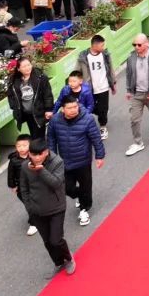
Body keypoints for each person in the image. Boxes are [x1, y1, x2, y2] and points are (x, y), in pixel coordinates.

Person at [46, 93, 105, 227]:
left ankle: (84, 209)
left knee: (86, 185)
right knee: (66, 188)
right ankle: (81, 195)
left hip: (83, 160)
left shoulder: (88, 119)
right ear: (62, 109)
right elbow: (51, 141)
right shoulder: (55, 121)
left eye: (75, 107)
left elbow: (96, 138)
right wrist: (52, 159)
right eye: (70, 108)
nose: (73, 110)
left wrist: (99, 156)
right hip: (64, 162)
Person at [20, 139, 75, 274]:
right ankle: (58, 262)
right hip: (37, 211)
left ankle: (68, 258)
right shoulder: (25, 166)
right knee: (47, 242)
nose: (37, 157)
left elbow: (56, 183)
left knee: (56, 240)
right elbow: (24, 188)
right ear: (29, 154)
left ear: (46, 152)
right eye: (34, 154)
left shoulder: (57, 162)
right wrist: (29, 207)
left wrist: (41, 170)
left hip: (57, 208)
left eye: (40, 154)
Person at [125, 34, 149, 156]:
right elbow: (129, 74)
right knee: (134, 119)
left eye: (139, 45)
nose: (136, 47)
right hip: (136, 94)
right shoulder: (131, 57)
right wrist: (129, 90)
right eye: (134, 45)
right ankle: (138, 143)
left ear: (146, 44)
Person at [6, 57, 53, 140]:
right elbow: (10, 95)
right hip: (26, 113)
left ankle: (40, 147)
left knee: (39, 136)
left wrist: (48, 109)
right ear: (18, 69)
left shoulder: (41, 77)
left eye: (28, 65)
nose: (27, 68)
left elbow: (47, 94)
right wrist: (14, 106)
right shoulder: (14, 80)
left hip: (39, 111)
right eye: (24, 66)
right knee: (33, 134)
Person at [8, 134, 37, 236]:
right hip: (22, 188)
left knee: (37, 203)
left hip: (36, 185)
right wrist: (13, 186)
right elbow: (10, 174)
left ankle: (39, 217)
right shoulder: (13, 160)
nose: (21, 148)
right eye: (19, 146)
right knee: (29, 205)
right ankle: (33, 223)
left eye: (24, 145)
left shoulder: (35, 156)